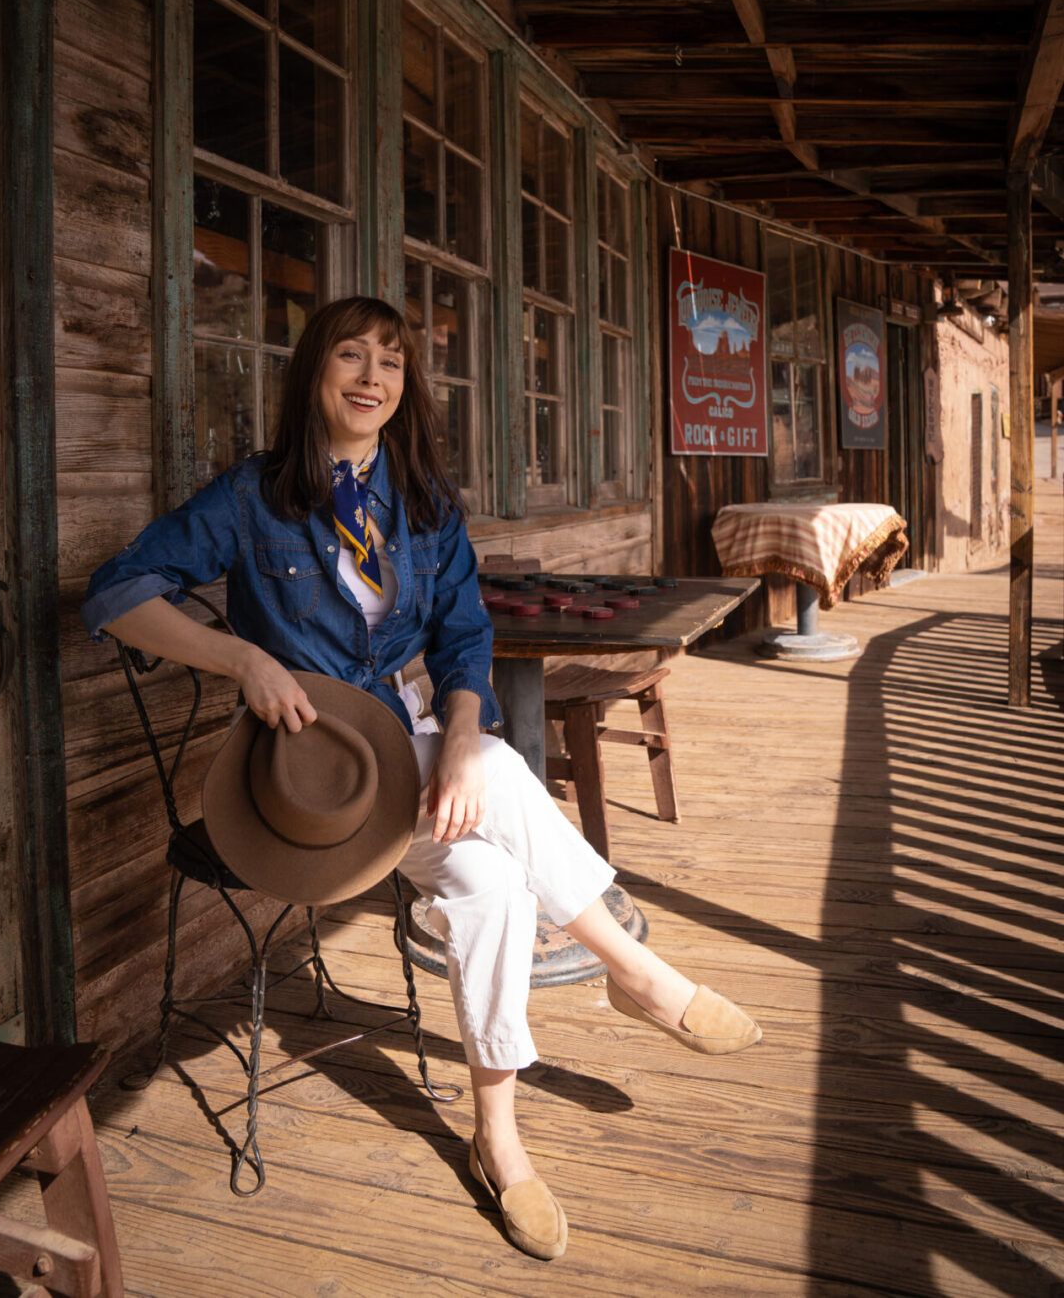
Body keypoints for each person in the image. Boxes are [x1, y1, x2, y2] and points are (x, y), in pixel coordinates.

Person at [82, 295, 761, 1262]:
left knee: (489, 870)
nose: (371, 377)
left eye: (391, 362)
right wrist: (241, 660)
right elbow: (117, 593)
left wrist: (465, 724)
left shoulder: (425, 504)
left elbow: (465, 636)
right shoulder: (250, 498)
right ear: (313, 374)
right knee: (501, 787)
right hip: (310, 786)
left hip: (408, 745)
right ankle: (637, 973)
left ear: (406, 387)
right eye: (350, 355)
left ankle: (500, 1138)